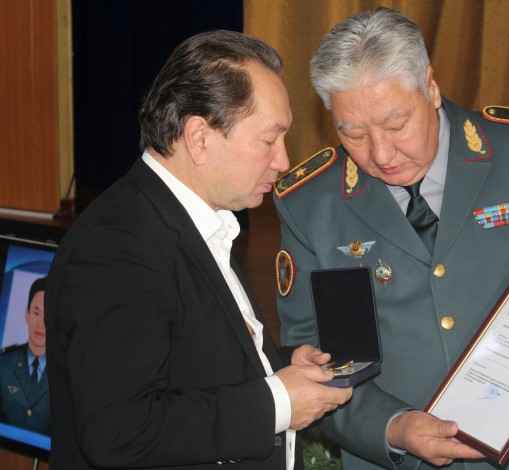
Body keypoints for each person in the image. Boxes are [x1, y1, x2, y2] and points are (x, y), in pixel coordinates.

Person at [273, 8, 509, 470]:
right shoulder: (311, 203)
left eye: (396, 125)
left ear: (430, 87)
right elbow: (313, 357)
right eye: (353, 133)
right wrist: (393, 427)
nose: (381, 154)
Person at [45, 30, 352, 470]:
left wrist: (277, 366)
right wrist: (278, 402)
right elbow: (119, 429)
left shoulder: (190, 219)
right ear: (199, 137)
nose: (283, 161)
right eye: (269, 140)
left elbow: (189, 363)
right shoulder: (117, 246)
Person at [0, 276, 49, 434]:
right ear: (27, 314)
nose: (41, 324)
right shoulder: (4, 363)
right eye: (36, 313)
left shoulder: (64, 373)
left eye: (48, 316)